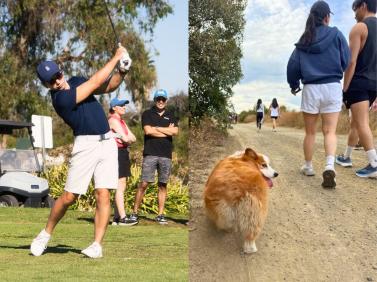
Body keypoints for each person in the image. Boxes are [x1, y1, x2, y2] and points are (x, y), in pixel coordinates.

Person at [30, 45, 132, 258]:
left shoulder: (76, 80)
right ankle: (45, 234)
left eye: (57, 75)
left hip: (107, 142)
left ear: (61, 71)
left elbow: (106, 86)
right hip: (86, 145)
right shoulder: (60, 100)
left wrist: (122, 72)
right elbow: (95, 81)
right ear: (47, 85)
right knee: (69, 197)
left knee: (103, 193)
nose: (57, 81)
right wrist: (115, 57)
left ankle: (96, 245)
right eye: (52, 81)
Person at [287, 1, 350, 188]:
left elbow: (292, 66)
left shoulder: (304, 39)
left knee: (310, 132)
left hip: (311, 89)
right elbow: (346, 60)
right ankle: (329, 165)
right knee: (330, 131)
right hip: (332, 86)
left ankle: (308, 166)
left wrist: (293, 84)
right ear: (326, 17)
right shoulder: (337, 34)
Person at [337, 0, 377, 178]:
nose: (354, 14)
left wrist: (345, 88)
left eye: (355, 9)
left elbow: (351, 62)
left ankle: (374, 163)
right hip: (374, 84)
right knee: (356, 122)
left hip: (359, 82)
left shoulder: (359, 28)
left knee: (361, 123)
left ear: (363, 6)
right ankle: (346, 157)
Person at [127, 89, 178, 225]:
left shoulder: (171, 115)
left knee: (163, 185)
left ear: (166, 101)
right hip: (150, 154)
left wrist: (158, 129)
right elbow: (148, 131)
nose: (160, 101)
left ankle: (160, 215)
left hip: (166, 155)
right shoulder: (147, 114)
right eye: (158, 99)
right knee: (144, 184)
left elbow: (175, 131)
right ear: (155, 100)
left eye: (163, 99)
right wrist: (167, 131)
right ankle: (134, 213)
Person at [108, 98, 137, 226]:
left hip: (123, 153)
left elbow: (133, 138)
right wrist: (126, 139)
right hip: (117, 153)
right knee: (120, 185)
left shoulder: (121, 121)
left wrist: (126, 139)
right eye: (121, 105)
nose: (124, 107)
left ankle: (116, 218)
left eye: (124, 105)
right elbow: (126, 139)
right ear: (114, 108)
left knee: (121, 185)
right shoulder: (113, 120)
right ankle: (123, 218)